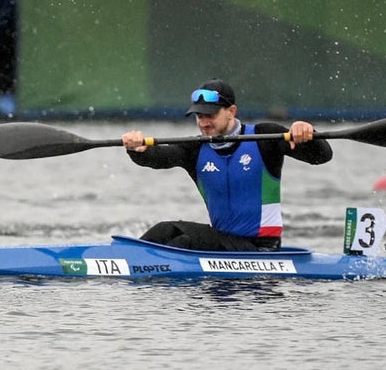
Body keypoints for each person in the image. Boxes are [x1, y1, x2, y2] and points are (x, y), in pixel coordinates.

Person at [121, 78, 332, 251]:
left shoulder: (264, 136)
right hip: (224, 242)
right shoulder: (195, 149)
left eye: (210, 115)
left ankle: (128, 264)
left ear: (231, 112)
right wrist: (138, 149)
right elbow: (159, 157)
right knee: (166, 232)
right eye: (199, 116)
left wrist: (309, 135)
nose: (203, 122)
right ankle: (122, 257)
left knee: (181, 240)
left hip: (262, 248)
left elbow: (321, 156)